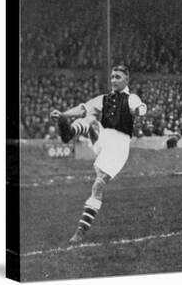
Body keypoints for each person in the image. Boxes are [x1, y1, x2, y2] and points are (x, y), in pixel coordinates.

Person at [50, 65, 147, 243]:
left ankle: (80, 231)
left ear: (126, 80)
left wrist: (140, 111)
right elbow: (83, 109)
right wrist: (63, 114)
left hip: (118, 146)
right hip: (104, 138)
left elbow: (139, 106)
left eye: (118, 77)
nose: (113, 80)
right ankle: (68, 131)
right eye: (112, 77)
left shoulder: (131, 97)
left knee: (97, 186)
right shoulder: (104, 99)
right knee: (91, 118)